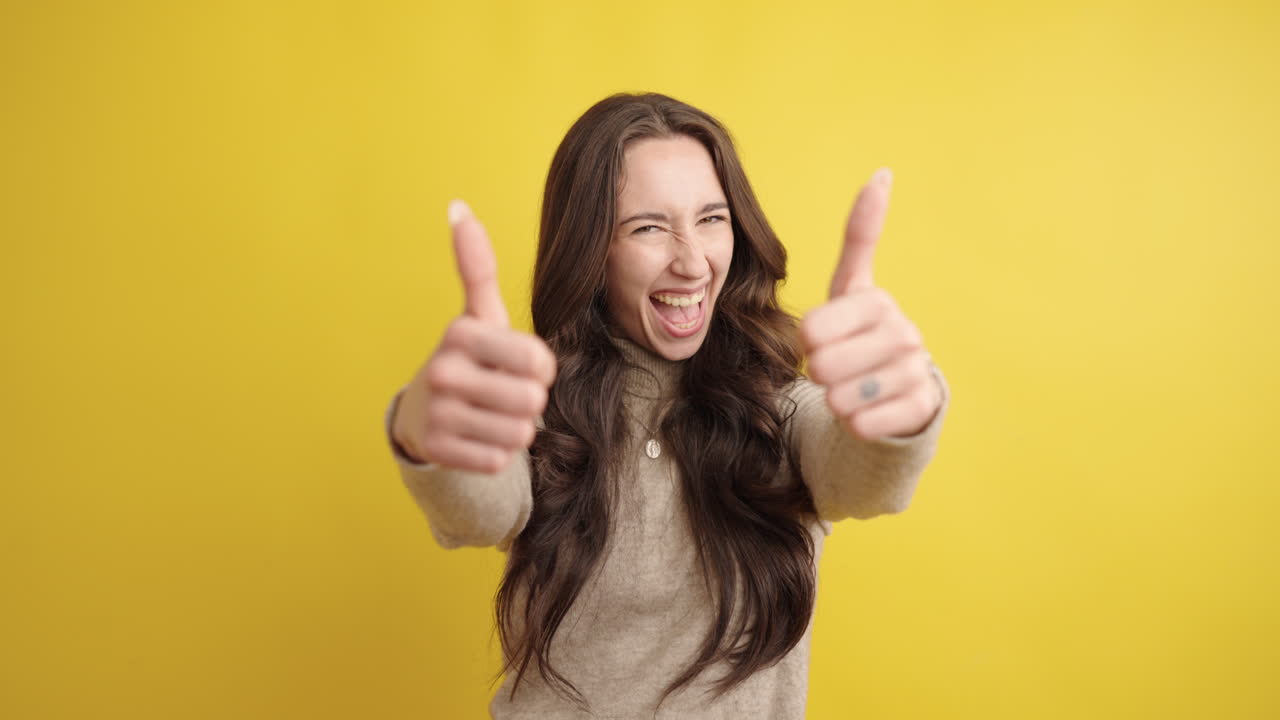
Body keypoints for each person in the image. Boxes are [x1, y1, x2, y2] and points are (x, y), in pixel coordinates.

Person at [383, 92, 950, 719]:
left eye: (712, 218)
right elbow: (479, 509)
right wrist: (422, 431)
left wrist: (904, 413)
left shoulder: (778, 413)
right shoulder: (539, 412)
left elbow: (865, 475)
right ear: (591, 253)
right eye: (648, 227)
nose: (692, 262)